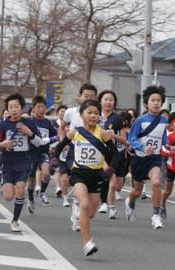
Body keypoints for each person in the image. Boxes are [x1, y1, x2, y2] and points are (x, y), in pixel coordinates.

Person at [52, 99, 119, 256]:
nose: (93, 116)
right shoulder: (75, 132)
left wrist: (111, 169)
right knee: (85, 205)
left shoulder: (102, 133)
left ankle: (79, 209)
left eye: (96, 113)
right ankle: (87, 243)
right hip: (79, 174)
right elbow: (60, 146)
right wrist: (54, 159)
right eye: (89, 113)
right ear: (81, 115)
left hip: (96, 175)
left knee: (91, 214)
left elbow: (115, 154)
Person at [0, 93, 43, 232]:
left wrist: (29, 132)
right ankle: (3, 181)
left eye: (16, 107)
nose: (13, 110)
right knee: (8, 197)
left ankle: (15, 221)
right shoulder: (3, 124)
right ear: (7, 109)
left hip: (23, 161)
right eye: (10, 107)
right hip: (7, 161)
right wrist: (2, 144)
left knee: (20, 190)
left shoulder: (29, 123)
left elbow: (38, 142)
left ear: (22, 107)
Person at [125, 85, 174, 229]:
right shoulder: (140, 120)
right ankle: (131, 202)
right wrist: (143, 147)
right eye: (153, 100)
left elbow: (162, 134)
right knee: (138, 191)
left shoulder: (164, 120)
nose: (156, 103)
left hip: (155, 158)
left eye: (159, 100)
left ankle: (155, 215)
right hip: (140, 158)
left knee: (156, 184)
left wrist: (166, 144)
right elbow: (132, 139)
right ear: (146, 103)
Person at [58, 83, 98, 231]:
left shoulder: (97, 114)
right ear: (79, 96)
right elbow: (62, 127)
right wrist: (63, 143)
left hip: (93, 153)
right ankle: (76, 211)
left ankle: (78, 205)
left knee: (86, 184)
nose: (89, 98)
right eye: (86, 96)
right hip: (75, 150)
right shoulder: (71, 112)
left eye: (92, 96)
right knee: (76, 176)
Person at [96, 90, 127, 219]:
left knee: (117, 186)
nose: (108, 102)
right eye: (106, 99)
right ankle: (105, 204)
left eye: (111, 100)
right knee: (110, 182)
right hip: (102, 154)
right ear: (100, 101)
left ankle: (111, 206)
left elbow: (125, 140)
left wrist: (114, 136)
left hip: (117, 154)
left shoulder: (118, 119)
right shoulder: (95, 118)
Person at [26, 95, 59, 212]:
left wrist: (60, 141)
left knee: (46, 173)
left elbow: (56, 135)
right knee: (31, 181)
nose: (41, 110)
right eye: (39, 107)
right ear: (33, 108)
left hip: (43, 153)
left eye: (43, 107)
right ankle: (30, 199)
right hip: (30, 153)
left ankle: (42, 193)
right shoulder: (29, 121)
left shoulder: (47, 122)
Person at [49, 105, 67, 198]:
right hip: (56, 148)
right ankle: (58, 188)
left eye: (65, 111)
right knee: (58, 169)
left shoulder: (70, 123)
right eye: (61, 111)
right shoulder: (54, 124)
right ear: (57, 113)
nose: (63, 113)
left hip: (68, 150)